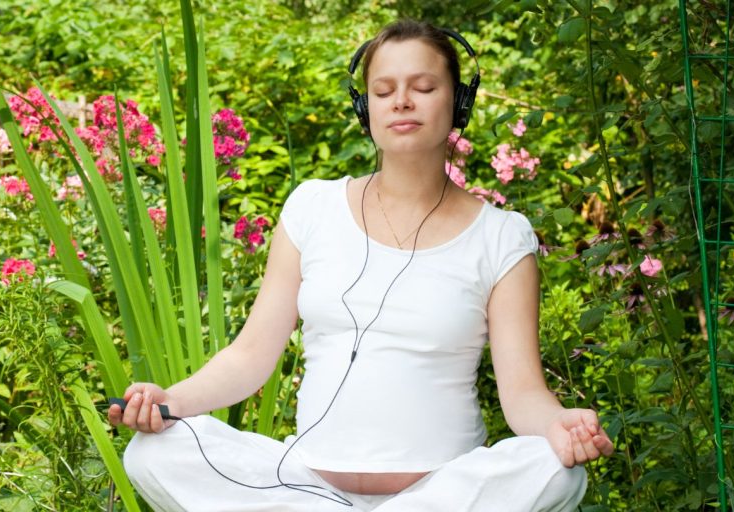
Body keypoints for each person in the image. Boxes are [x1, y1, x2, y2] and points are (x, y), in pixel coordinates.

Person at [107, 19, 614, 511]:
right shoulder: (312, 208)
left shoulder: (502, 237)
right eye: (384, 89)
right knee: (155, 450)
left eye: (424, 87)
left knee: (554, 466)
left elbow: (523, 394)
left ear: (459, 102)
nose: (402, 101)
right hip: (300, 488)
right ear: (363, 106)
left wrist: (559, 425)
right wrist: (165, 402)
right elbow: (249, 358)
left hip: (443, 495)